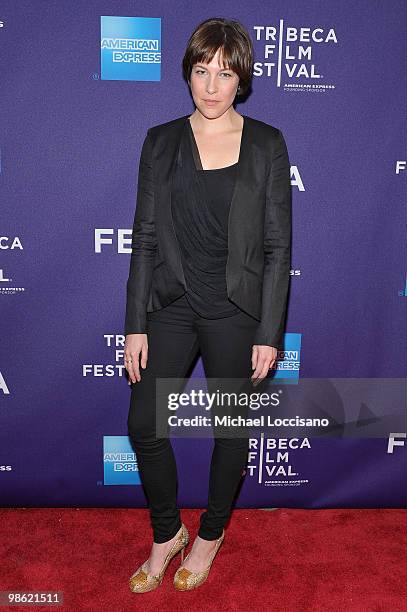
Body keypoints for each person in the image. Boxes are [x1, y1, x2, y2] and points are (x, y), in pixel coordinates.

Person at [124, 17, 292, 592]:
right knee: (144, 425)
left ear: (241, 77)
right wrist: (134, 324)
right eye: (201, 71)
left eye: (224, 72)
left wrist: (269, 331)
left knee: (230, 432)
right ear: (188, 75)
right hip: (169, 305)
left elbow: (276, 246)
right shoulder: (160, 140)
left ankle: (211, 533)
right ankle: (167, 530)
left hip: (235, 310)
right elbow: (143, 236)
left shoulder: (267, 143)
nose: (212, 85)